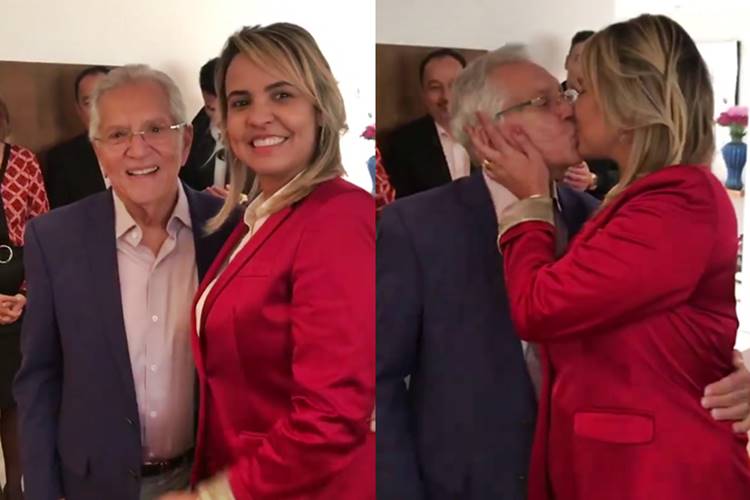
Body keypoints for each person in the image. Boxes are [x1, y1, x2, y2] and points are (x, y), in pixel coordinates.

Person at [377, 44, 750, 500]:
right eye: (545, 101)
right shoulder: (415, 227)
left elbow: (666, 343)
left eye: (567, 94)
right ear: (485, 129)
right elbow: (379, 380)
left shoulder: (603, 219)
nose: (569, 109)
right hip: (462, 483)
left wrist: (734, 374)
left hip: (590, 477)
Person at [160, 23, 374, 500]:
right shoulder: (258, 217)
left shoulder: (338, 218)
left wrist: (215, 495)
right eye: (241, 102)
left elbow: (333, 414)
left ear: (319, 106)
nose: (259, 117)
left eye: (281, 95)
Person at [14, 65, 236, 500]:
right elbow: (39, 378)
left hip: (202, 480)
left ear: (185, 141)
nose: (138, 149)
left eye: (155, 129)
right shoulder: (55, 239)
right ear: (98, 150)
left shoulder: (229, 230)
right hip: (93, 483)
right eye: (117, 135)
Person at [0, 97, 49, 500]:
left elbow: (42, 232)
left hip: (19, 295)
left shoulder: (25, 161)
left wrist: (24, 295)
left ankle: (15, 489)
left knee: (16, 398)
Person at [381, 48, 470, 198]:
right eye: (435, 87)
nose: (446, 97)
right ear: (423, 93)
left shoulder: (491, 136)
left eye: (455, 85)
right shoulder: (402, 144)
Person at [561, 30, 620, 199]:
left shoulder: (615, 111)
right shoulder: (544, 104)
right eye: (579, 59)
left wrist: (594, 180)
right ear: (567, 62)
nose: (584, 69)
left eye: (593, 62)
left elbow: (632, 170)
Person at [44, 66, 111, 208]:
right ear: (79, 110)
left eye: (104, 98)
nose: (97, 110)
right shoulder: (62, 160)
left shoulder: (145, 148)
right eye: (88, 103)